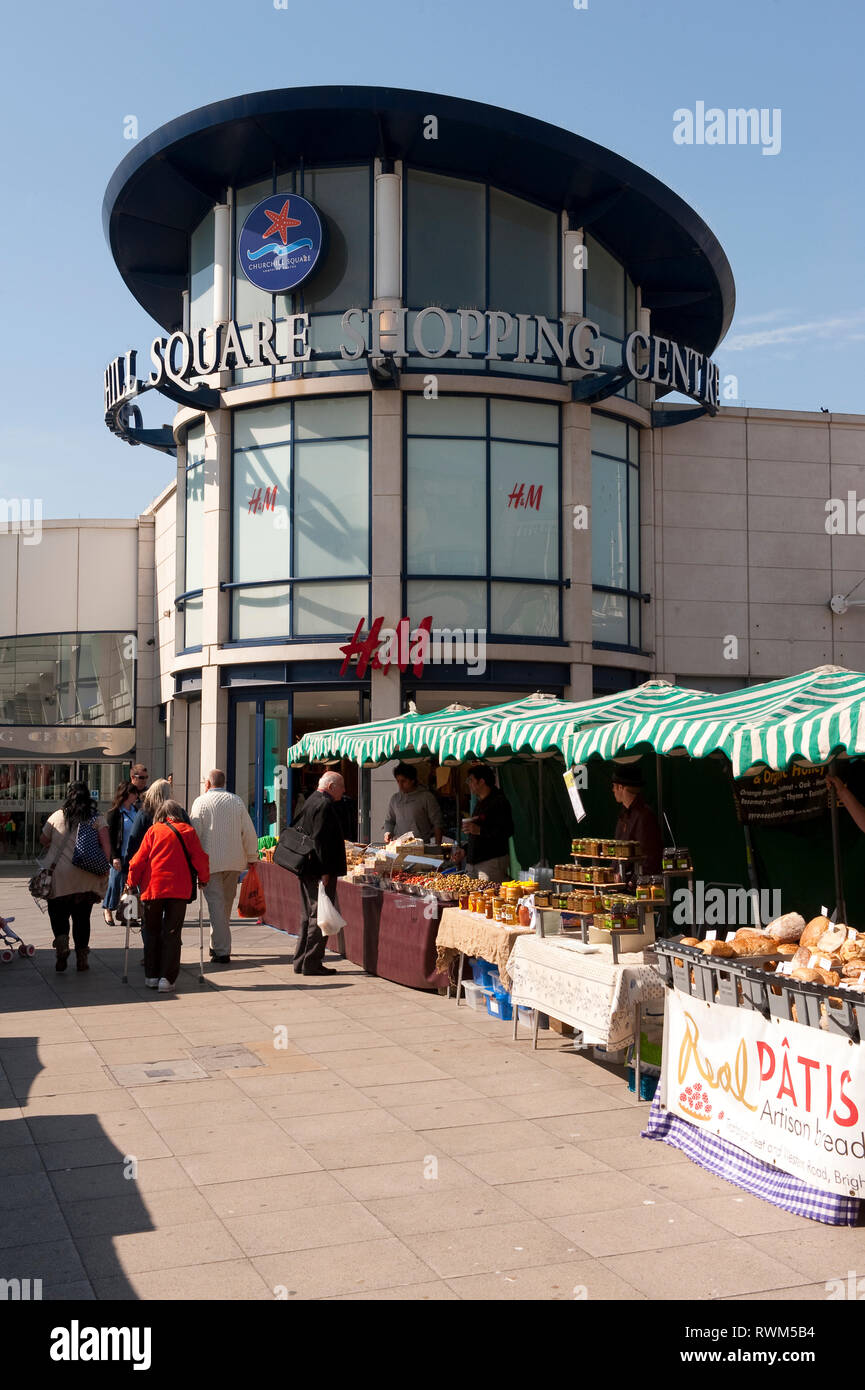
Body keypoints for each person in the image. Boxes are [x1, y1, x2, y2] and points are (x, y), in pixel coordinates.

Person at [126, 800, 210, 992]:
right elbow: (200, 858)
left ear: (162, 814)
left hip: (153, 888)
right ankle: (167, 979)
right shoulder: (188, 831)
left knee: (152, 931)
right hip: (178, 889)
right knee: (172, 933)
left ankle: (151, 975)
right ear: (178, 814)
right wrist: (203, 879)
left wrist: (130, 881)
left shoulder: (154, 830)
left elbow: (138, 860)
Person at [39, 782, 111, 973]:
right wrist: (104, 868)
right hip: (85, 876)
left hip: (60, 876)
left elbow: (43, 840)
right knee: (82, 918)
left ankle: (62, 941)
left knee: (57, 913)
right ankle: (81, 959)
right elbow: (107, 849)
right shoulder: (96, 818)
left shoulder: (57, 816)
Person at [190, 769, 258, 965]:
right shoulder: (236, 801)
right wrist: (252, 856)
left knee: (216, 905)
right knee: (224, 904)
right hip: (234, 861)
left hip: (210, 863)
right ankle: (217, 944)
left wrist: (193, 861)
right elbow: (248, 830)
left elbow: (195, 833)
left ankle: (221, 950)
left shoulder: (201, 802)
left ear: (208, 784)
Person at [292, 770, 347, 976]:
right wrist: (325, 871)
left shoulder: (311, 800)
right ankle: (312, 962)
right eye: (341, 786)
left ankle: (300, 960)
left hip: (307, 867)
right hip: (318, 870)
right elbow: (321, 840)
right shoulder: (324, 804)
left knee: (308, 916)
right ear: (331, 786)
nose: (344, 790)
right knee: (319, 916)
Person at [463, 765, 514, 881]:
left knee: (490, 896)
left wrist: (479, 830)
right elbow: (476, 835)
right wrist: (464, 850)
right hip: (473, 863)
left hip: (490, 862)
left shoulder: (499, 802)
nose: (468, 784)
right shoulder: (480, 802)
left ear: (481, 781)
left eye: (470, 780)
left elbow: (507, 830)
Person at [611, 764, 663, 875]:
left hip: (637, 888)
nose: (613, 790)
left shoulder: (644, 816)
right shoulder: (624, 815)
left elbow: (650, 857)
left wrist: (632, 882)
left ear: (621, 787)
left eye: (614, 786)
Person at [103, 780, 139, 925]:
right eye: (134, 793)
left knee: (131, 884)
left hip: (134, 854)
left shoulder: (136, 811)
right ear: (126, 794)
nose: (136, 796)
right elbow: (110, 837)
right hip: (119, 854)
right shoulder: (114, 814)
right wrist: (114, 857)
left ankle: (129, 914)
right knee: (115, 883)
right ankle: (108, 908)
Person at [383, 763, 443, 845]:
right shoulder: (395, 799)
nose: (400, 785)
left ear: (412, 781)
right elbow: (389, 821)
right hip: (398, 846)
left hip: (421, 847)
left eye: (403, 781)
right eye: (398, 781)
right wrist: (387, 832)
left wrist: (437, 846)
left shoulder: (426, 797)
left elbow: (437, 823)